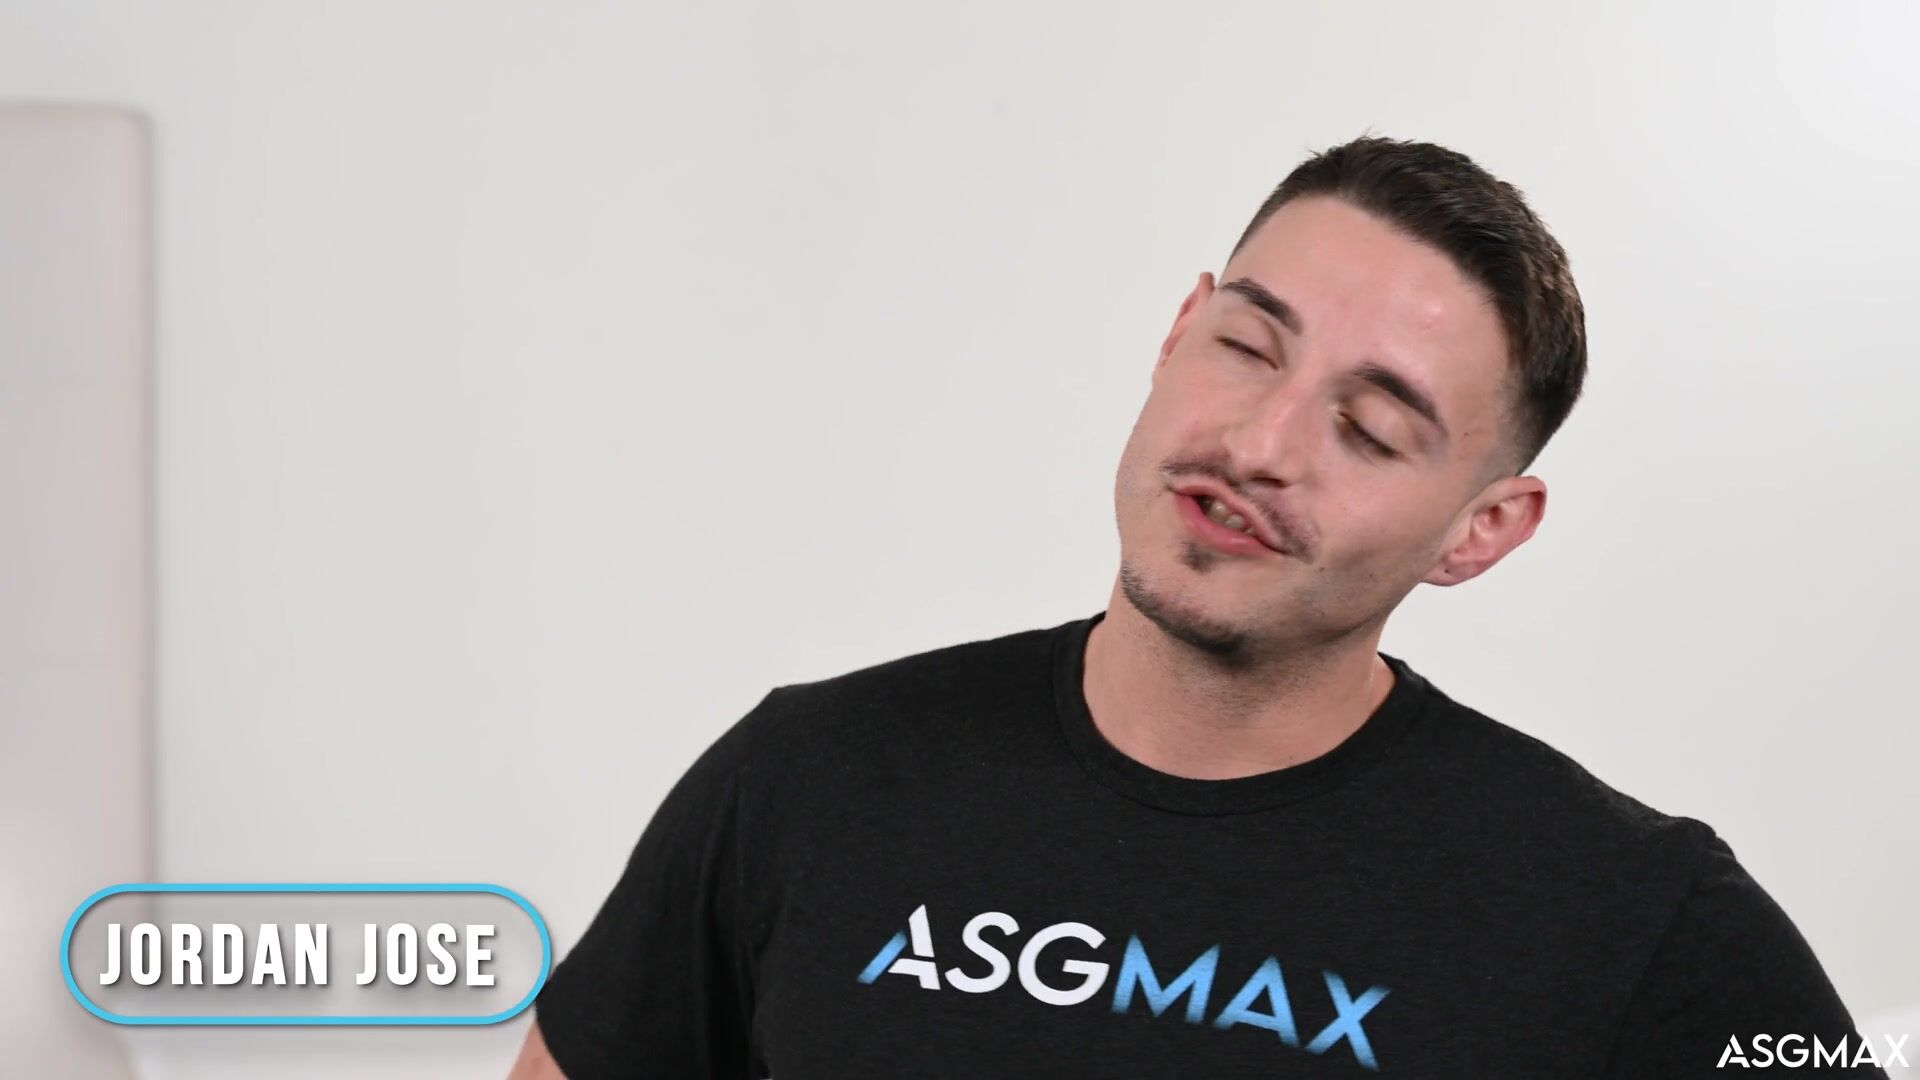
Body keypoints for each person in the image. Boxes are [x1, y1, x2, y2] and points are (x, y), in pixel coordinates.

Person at [506, 136, 1889, 1078]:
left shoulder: (1635, 925)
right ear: (1177, 334)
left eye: (1370, 428)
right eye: (1247, 348)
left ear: (1482, 532)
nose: (1260, 444)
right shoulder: (811, 778)